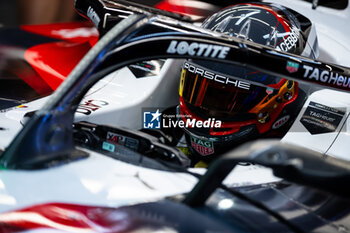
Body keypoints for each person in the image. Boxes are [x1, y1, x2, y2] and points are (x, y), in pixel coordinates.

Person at [176, 2, 319, 166]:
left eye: (225, 98)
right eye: (199, 90)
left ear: (285, 94)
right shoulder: (163, 121)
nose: (210, 113)